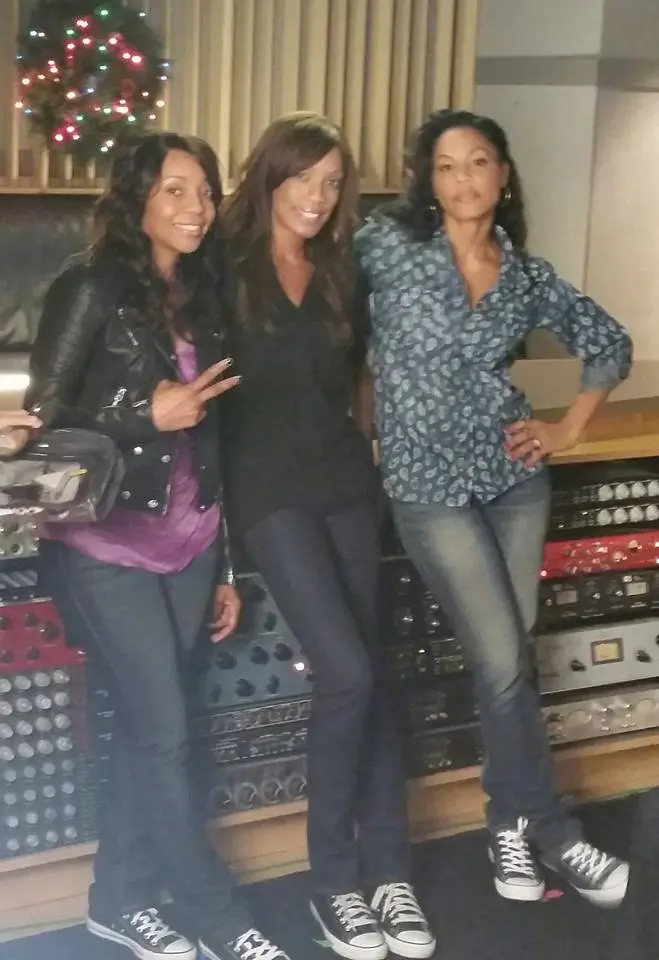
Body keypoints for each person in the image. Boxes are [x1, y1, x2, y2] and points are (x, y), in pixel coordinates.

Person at [354, 109, 633, 908]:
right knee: (506, 660)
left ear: (502, 174)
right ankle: (551, 831)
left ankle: (507, 825)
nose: (462, 179)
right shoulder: (387, 245)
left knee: (504, 663)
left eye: (477, 162)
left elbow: (607, 344)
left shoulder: (524, 276)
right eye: (445, 166)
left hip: (513, 479)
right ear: (426, 179)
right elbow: (320, 314)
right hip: (426, 487)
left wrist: (565, 429)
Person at [24, 132, 294, 960]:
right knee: (166, 734)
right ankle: (218, 916)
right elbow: (41, 422)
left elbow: (217, 441)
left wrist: (226, 565)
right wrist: (147, 414)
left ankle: (118, 899)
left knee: (150, 735)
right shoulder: (89, 286)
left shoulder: (202, 294)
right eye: (174, 189)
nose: (195, 207)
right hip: (105, 544)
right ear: (137, 197)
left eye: (204, 191)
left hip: (191, 541)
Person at [220, 112, 436, 960]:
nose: (316, 196)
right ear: (268, 176)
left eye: (331, 182)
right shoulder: (222, 269)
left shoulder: (341, 270)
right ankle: (332, 883)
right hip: (268, 493)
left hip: (346, 483)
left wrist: (380, 446)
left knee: (370, 672)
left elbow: (362, 379)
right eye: (302, 178)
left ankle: (388, 873)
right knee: (345, 671)